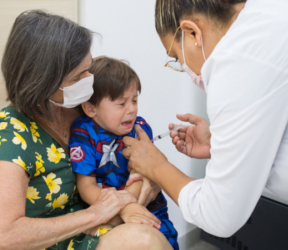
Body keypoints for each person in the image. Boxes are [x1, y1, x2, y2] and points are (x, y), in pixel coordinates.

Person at [0, 10, 173, 250]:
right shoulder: (13, 132)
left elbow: (145, 159)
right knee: (145, 242)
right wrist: (95, 215)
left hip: (89, 230)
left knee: (151, 236)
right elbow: (3, 237)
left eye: (89, 68)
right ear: (44, 81)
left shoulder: (85, 110)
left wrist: (146, 182)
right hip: (44, 242)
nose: (89, 80)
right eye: (78, 76)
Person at [123, 0, 288, 238]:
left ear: (192, 33)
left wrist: (157, 167)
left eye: (177, 57)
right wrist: (224, 146)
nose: (184, 67)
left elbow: (219, 215)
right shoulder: (268, 16)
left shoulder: (237, 66)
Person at [69, 56, 179, 250]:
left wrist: (130, 206)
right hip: (106, 210)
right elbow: (86, 186)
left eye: (134, 100)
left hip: (146, 205)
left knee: (161, 241)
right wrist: (122, 208)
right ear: (90, 108)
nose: (132, 110)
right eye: (121, 104)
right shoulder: (83, 132)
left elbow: (143, 177)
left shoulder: (140, 129)